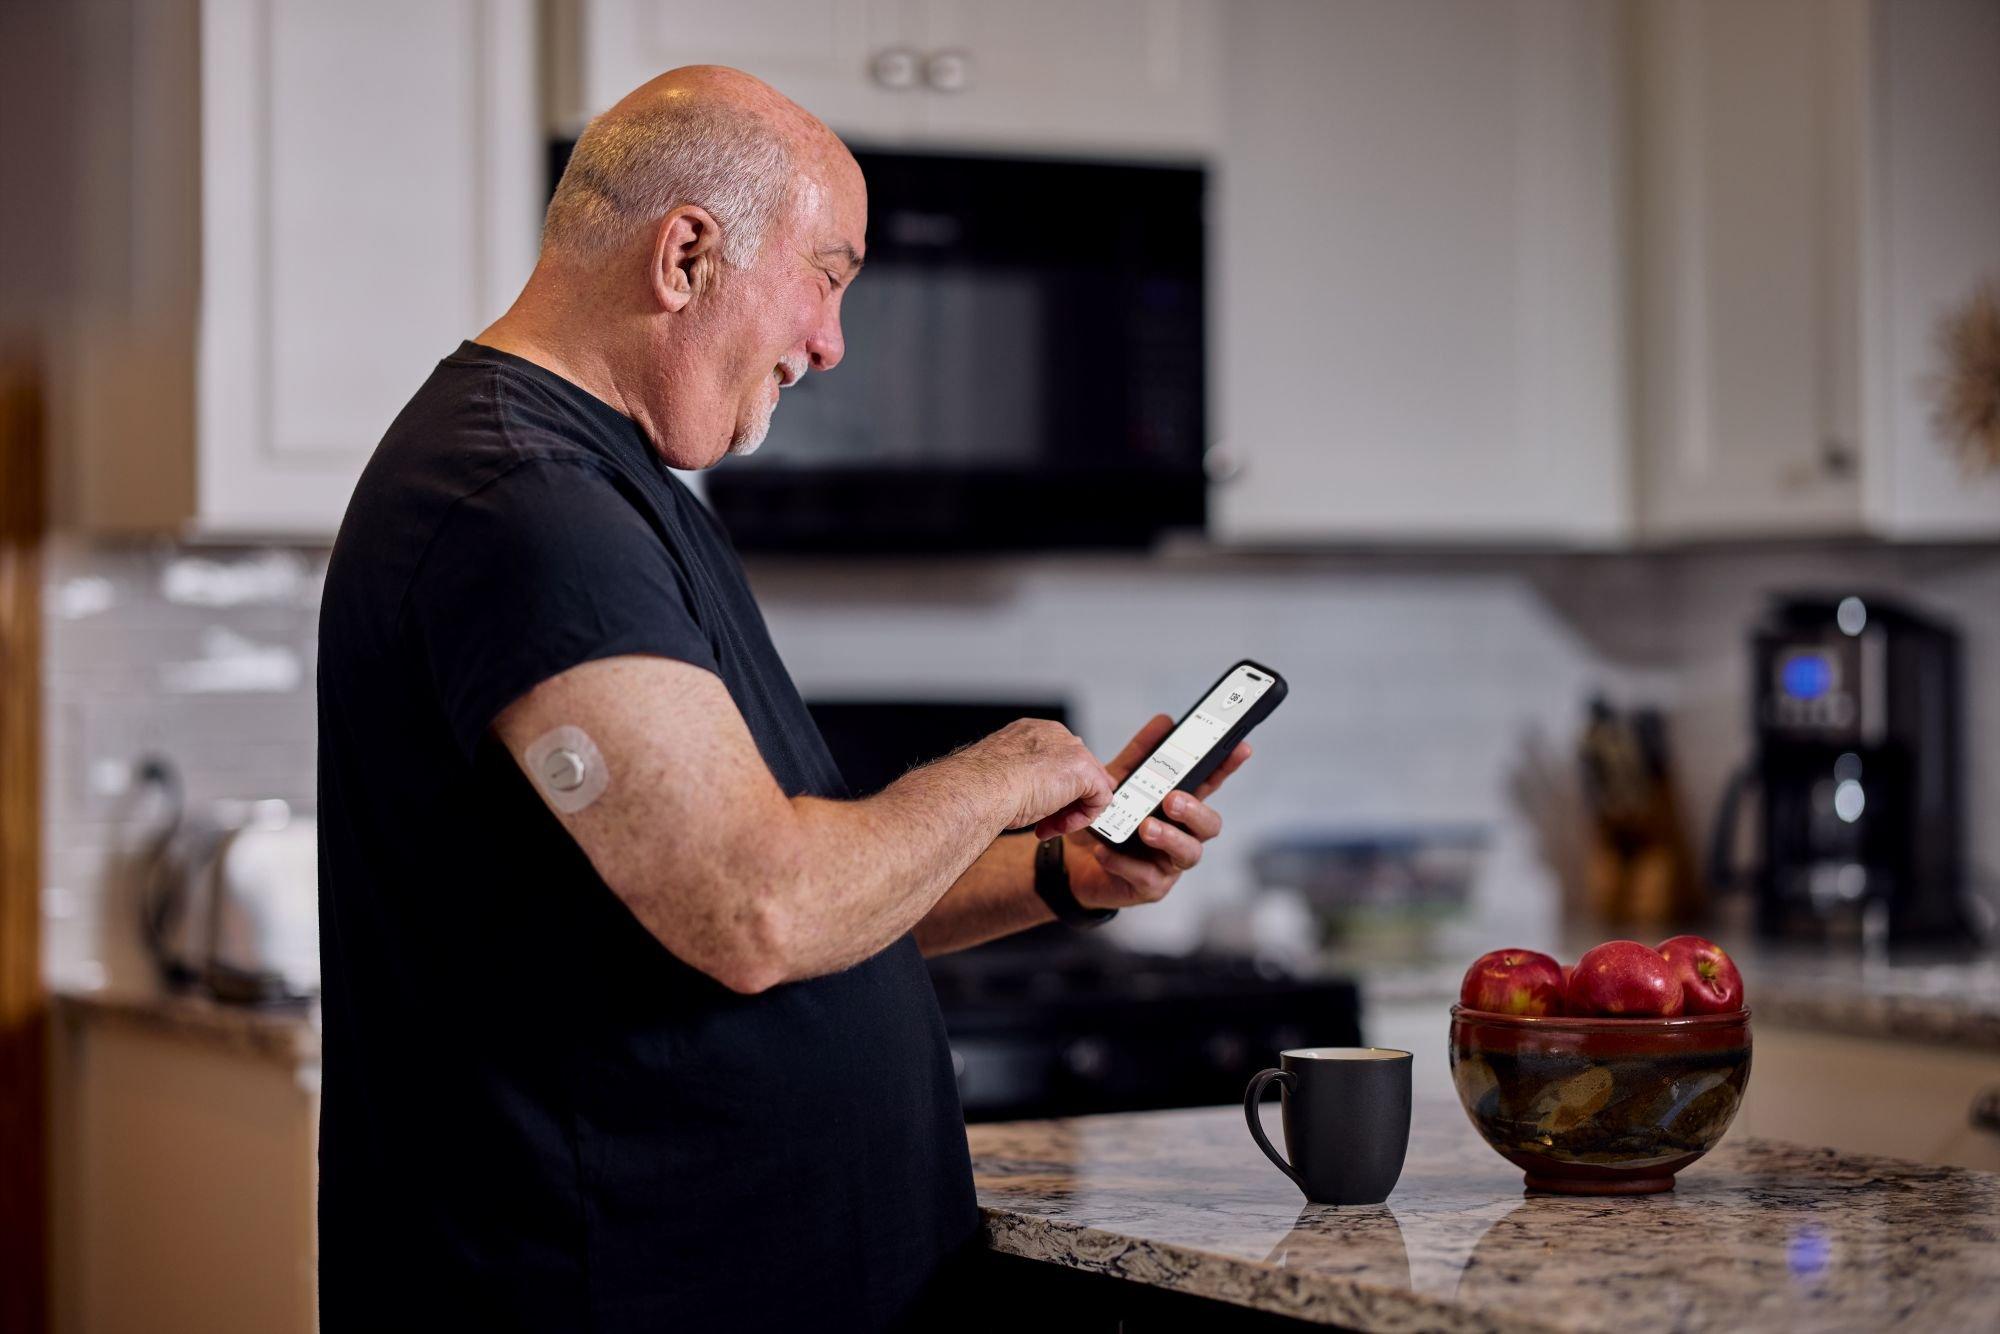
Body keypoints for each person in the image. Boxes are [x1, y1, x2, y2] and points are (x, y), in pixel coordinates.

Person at [315, 65, 1252, 1332]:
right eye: (827, 274)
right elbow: (754, 905)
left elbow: (791, 911)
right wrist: (1004, 770)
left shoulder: (605, 484)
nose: (831, 343)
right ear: (686, 254)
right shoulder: (522, 502)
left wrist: (1052, 872)